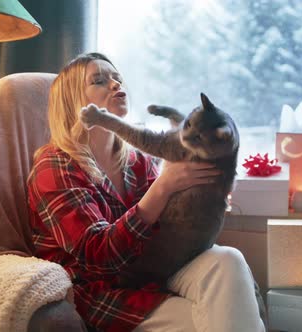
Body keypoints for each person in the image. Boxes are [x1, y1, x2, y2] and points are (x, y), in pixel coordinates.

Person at [27, 52, 265, 332]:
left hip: (153, 270)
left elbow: (169, 224)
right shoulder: (54, 167)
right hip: (102, 292)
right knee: (212, 319)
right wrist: (163, 187)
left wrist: (201, 197)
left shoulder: (135, 160)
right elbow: (97, 258)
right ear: (73, 102)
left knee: (229, 260)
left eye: (118, 78)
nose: (116, 85)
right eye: (100, 81)